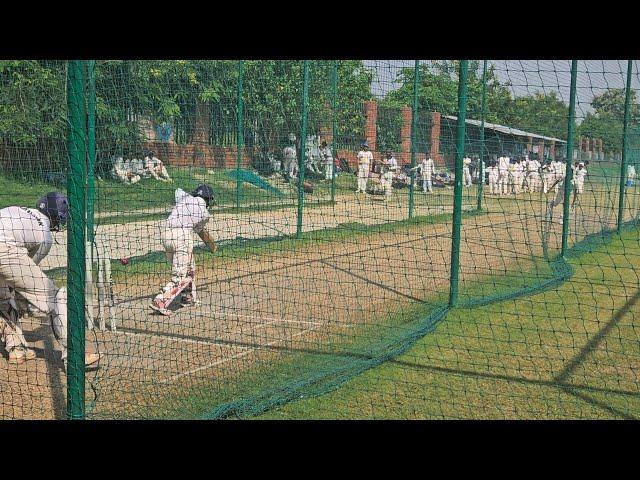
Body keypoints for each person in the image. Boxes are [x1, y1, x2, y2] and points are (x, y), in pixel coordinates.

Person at [0, 192, 100, 369]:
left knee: (3, 297)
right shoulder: (45, 235)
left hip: (6, 243)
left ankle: (16, 348)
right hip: (5, 251)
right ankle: (76, 354)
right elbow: (25, 274)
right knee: (57, 297)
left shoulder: (17, 209)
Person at [151, 185, 215, 311]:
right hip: (182, 238)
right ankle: (161, 299)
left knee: (190, 268)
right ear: (207, 199)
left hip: (165, 235)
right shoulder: (205, 214)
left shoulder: (183, 197)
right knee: (179, 275)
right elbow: (197, 230)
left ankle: (188, 297)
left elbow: (177, 191)